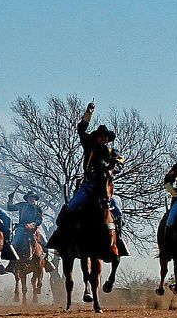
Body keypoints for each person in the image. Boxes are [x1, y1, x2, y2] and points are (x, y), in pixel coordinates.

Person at [47, 101, 129, 255]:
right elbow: (80, 129)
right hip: (88, 186)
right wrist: (88, 113)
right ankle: (60, 240)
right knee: (71, 207)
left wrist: (113, 171)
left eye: (105, 137)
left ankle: (118, 240)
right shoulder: (89, 146)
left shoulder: (112, 152)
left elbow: (120, 162)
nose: (103, 139)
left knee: (117, 209)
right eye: (101, 136)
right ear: (97, 137)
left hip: (105, 189)